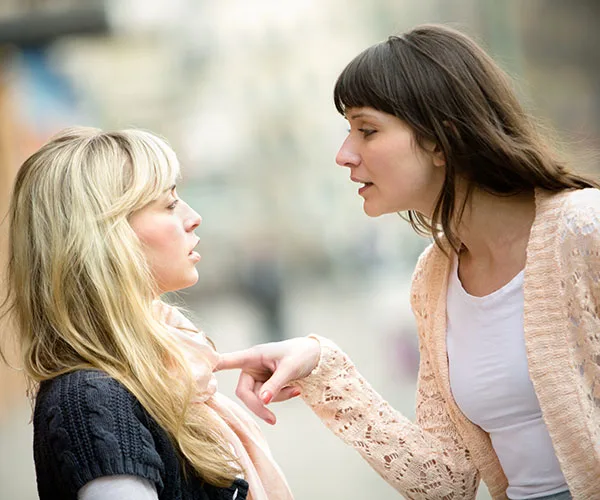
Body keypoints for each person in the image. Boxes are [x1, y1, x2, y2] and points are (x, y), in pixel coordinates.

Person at [216, 24, 600, 500]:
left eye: (367, 130)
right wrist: (322, 367)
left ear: (442, 139)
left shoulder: (584, 230)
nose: (344, 154)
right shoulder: (434, 276)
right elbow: (447, 479)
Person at [0, 127, 293, 500]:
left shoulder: (165, 368)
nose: (194, 217)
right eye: (169, 204)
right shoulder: (93, 402)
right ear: (106, 236)